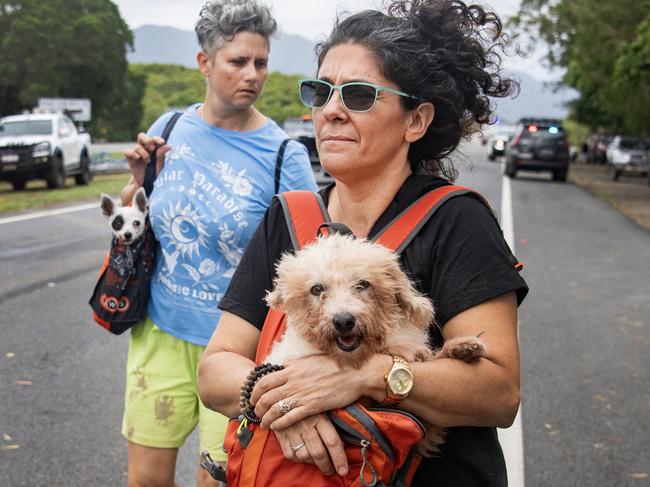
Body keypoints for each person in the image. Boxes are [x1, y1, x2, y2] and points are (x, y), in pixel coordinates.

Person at [198, 1, 528, 485]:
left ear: (415, 121)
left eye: (357, 95)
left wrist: (362, 376)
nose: (330, 110)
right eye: (320, 91)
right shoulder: (287, 218)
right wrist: (290, 400)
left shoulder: (457, 220)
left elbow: (499, 392)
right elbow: (215, 370)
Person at [119, 1, 317, 485]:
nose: (252, 74)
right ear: (205, 63)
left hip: (238, 351)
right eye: (237, 61)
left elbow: (311, 254)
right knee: (145, 480)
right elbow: (136, 217)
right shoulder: (169, 129)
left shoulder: (283, 156)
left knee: (223, 479)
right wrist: (137, 183)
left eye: (261, 62)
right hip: (161, 333)